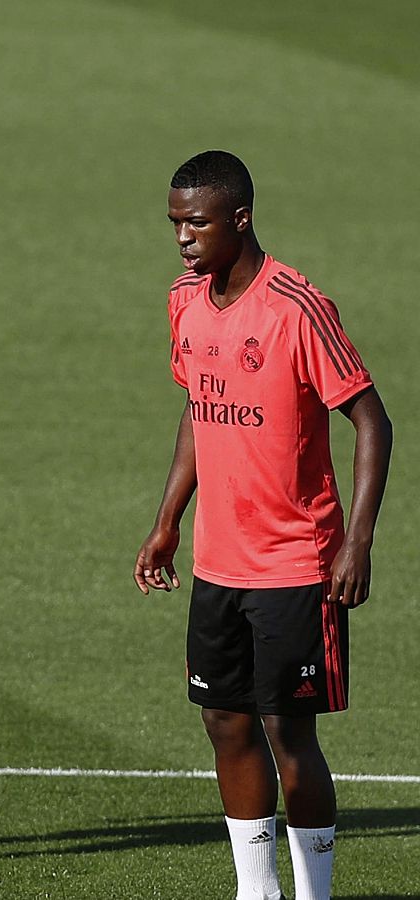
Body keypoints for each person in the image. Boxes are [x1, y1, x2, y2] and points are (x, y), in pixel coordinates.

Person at [135, 150, 391, 900]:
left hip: (296, 562)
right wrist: (168, 520)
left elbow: (371, 420)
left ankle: (314, 892)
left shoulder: (294, 307)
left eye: (198, 222)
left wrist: (358, 541)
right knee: (224, 721)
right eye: (175, 223)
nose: (183, 238)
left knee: (288, 732)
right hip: (220, 560)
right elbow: (198, 407)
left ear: (240, 218)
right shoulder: (185, 300)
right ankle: (258, 890)